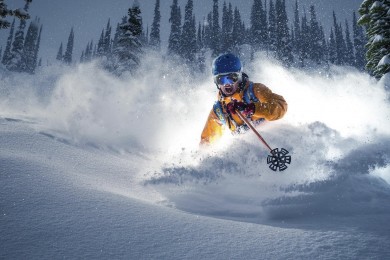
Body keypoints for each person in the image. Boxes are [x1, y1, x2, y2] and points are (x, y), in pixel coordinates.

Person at [200, 53, 288, 145]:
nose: (227, 84)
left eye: (232, 78)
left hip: (274, 142)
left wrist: (253, 108)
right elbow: (206, 143)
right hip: (250, 153)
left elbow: (281, 106)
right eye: (220, 79)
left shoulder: (255, 91)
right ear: (216, 82)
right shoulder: (219, 111)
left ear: (239, 77)